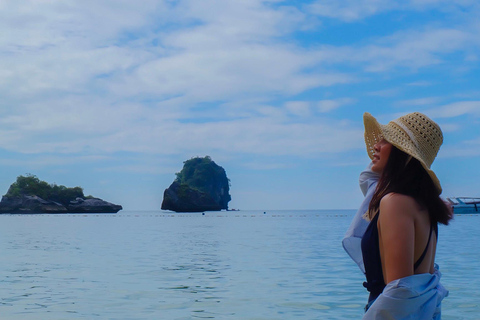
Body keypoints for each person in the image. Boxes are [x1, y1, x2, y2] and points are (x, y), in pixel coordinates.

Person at [344, 112, 453, 320]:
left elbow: (399, 296)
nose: (376, 145)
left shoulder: (394, 202)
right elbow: (368, 178)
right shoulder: (421, 206)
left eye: (386, 140)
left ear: (405, 154)